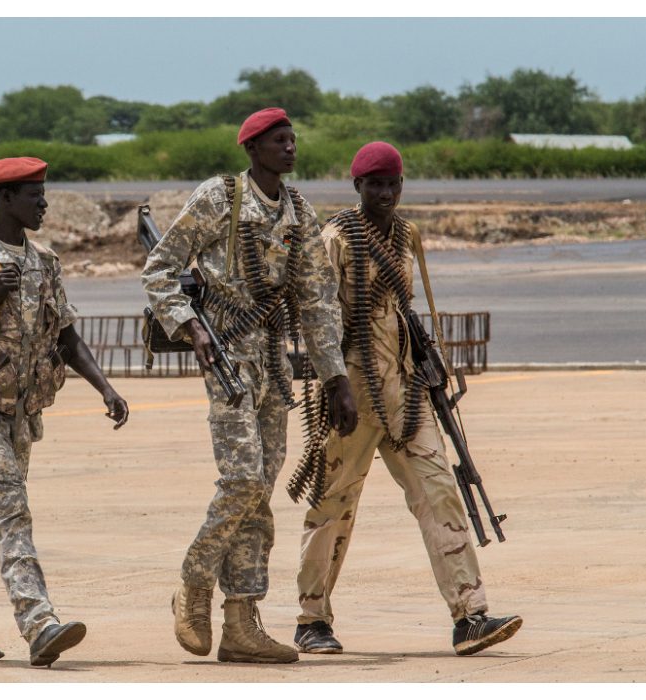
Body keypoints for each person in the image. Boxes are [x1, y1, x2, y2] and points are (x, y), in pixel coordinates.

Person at [141, 108, 356, 664]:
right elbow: (159, 268)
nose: (290, 149)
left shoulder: (299, 210)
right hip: (227, 358)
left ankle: (241, 622)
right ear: (253, 148)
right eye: (278, 142)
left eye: (293, 140)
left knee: (259, 492)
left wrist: (335, 375)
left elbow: (317, 298)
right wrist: (189, 324)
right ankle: (193, 582)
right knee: (239, 481)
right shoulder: (219, 198)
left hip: (273, 365)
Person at [292, 141, 522, 656]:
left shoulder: (405, 236)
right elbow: (319, 319)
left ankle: (470, 615)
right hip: (352, 393)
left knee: (440, 491)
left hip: (406, 395)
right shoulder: (336, 239)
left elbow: (408, 311)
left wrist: (427, 366)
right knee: (333, 506)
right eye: (376, 184)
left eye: (394, 184)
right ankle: (311, 619)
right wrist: (335, 385)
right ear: (358, 187)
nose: (387, 193)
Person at [0, 156, 130, 667]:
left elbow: (67, 337)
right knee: (10, 513)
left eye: (43, 193)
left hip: (24, 414)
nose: (44, 203)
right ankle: (39, 624)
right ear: (5, 198)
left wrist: (106, 388)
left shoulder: (45, 262)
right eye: (34, 194)